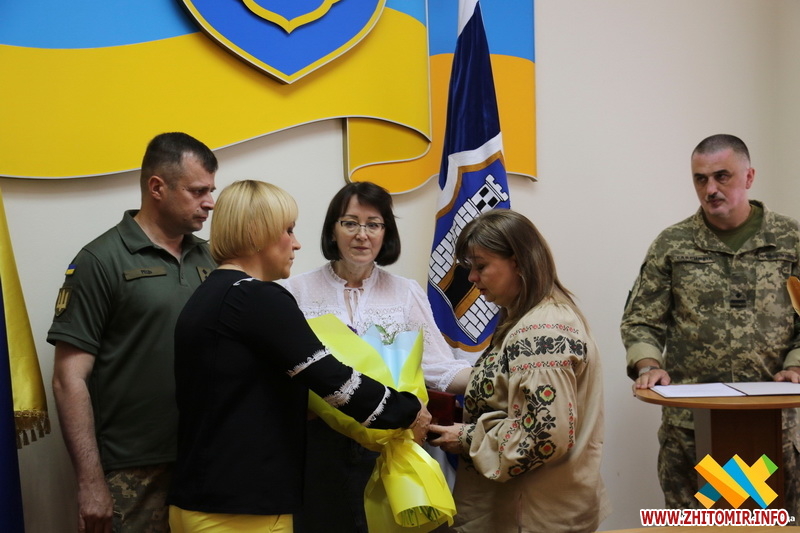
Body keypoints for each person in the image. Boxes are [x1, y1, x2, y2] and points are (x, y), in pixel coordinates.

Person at [166, 179, 430, 532]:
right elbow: (337, 384)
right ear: (257, 232)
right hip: (242, 507)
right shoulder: (258, 298)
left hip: (195, 497)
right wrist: (408, 410)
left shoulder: (207, 295)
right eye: (288, 230)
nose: (296, 243)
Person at [48, 132, 218, 533]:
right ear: (157, 187)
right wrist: (90, 482)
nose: (210, 202)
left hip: (206, 459)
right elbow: (68, 379)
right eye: (198, 191)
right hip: (133, 470)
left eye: (211, 190)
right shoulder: (101, 260)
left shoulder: (212, 257)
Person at [620, 133, 800, 511]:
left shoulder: (791, 240)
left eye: (722, 176)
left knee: (772, 526)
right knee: (698, 526)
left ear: (749, 177)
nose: (710, 189)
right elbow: (641, 318)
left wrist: (796, 364)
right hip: (692, 428)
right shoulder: (673, 244)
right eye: (700, 179)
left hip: (773, 424)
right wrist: (648, 365)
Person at [281, 181, 472, 533]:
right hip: (320, 442)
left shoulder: (405, 292)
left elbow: (437, 366)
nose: (362, 235)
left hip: (392, 439)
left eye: (373, 224)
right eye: (350, 223)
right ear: (333, 230)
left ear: (386, 233)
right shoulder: (295, 290)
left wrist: (493, 378)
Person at [428, 209, 609, 533]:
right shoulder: (532, 317)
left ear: (519, 262)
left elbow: (543, 436)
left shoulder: (540, 330)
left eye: (481, 266)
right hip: (531, 508)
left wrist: (466, 437)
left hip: (530, 514)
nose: (472, 278)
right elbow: (511, 391)